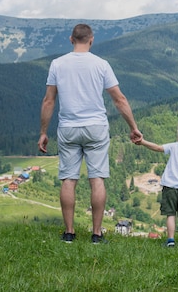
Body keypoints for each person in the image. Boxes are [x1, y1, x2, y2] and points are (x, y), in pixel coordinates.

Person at [38, 24, 142, 244]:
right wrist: (133, 127)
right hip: (96, 127)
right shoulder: (101, 65)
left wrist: (43, 132)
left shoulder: (57, 64)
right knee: (97, 179)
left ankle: (69, 232)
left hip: (68, 128)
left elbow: (49, 100)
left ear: (71, 39)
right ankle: (96, 233)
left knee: (68, 179)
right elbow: (119, 99)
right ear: (91, 40)